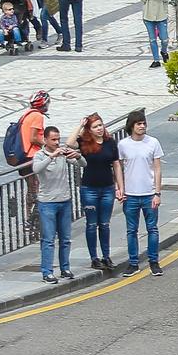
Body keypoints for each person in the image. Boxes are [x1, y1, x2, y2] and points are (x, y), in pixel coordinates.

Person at [31, 125, 83, 283]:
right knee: (48, 239)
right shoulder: (40, 155)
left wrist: (77, 156)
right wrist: (52, 156)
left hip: (65, 201)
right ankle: (47, 271)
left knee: (66, 238)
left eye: (58, 139)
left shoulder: (63, 153)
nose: (56, 142)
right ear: (45, 140)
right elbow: (36, 169)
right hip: (47, 203)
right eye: (53, 139)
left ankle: (65, 268)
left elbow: (83, 164)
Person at [116, 111, 164, 276]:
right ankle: (133, 263)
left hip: (149, 193)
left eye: (144, 123)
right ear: (131, 126)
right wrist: (120, 188)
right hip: (130, 195)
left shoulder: (153, 143)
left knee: (152, 229)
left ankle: (153, 261)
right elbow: (119, 168)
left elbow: (157, 168)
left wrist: (157, 193)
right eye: (138, 124)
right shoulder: (123, 145)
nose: (142, 126)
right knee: (131, 230)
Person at [76, 113, 120, 271]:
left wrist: (119, 187)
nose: (99, 129)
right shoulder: (84, 142)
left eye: (100, 125)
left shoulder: (110, 142)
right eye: (95, 127)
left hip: (107, 188)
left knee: (104, 224)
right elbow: (68, 144)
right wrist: (80, 126)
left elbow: (116, 165)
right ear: (89, 130)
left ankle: (106, 256)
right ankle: (94, 257)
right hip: (89, 189)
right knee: (91, 224)